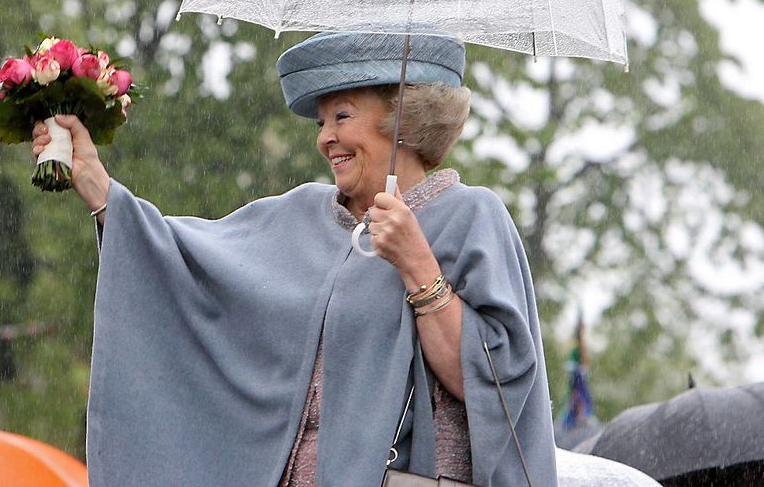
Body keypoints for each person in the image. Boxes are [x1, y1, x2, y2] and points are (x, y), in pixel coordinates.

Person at [31, 31, 558, 487]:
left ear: (405, 120)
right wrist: (99, 187)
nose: (325, 137)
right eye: (321, 122)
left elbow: (495, 383)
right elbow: (184, 263)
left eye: (342, 116)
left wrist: (419, 266)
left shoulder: (470, 216)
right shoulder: (300, 216)